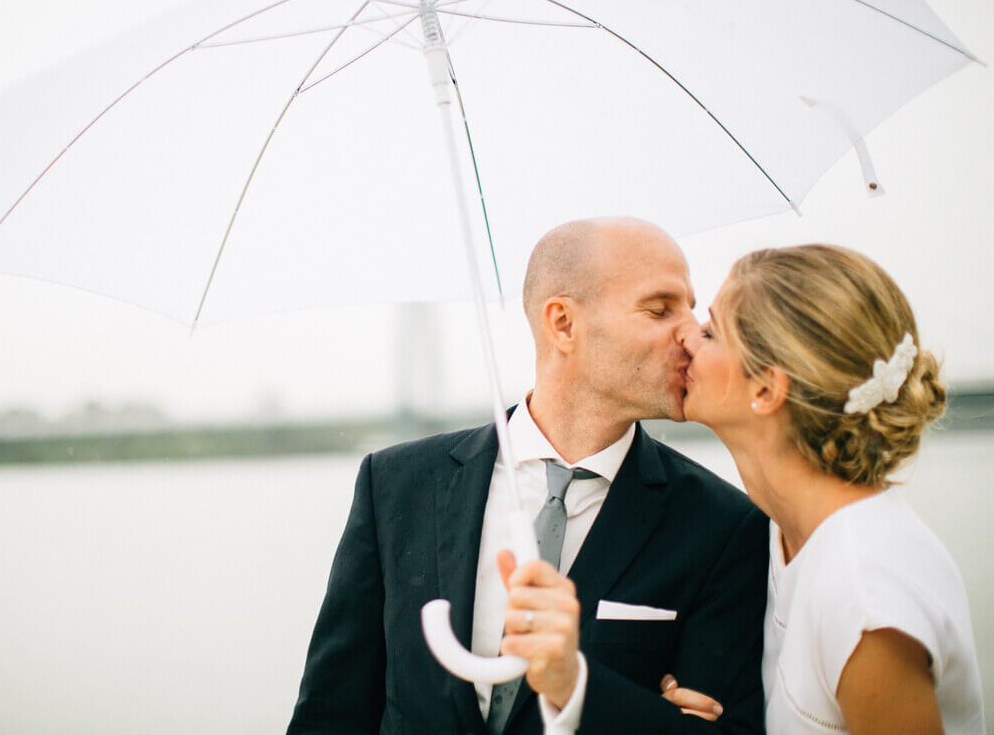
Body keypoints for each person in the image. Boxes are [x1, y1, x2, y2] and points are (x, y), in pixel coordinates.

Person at [287, 218, 769, 735]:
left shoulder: (725, 525)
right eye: (660, 309)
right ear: (563, 324)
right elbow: (329, 716)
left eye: (691, 309)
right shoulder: (394, 484)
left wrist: (601, 700)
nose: (693, 333)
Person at [675, 244, 985, 733]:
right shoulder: (783, 534)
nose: (687, 337)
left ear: (766, 389)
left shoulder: (866, 593)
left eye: (711, 331)